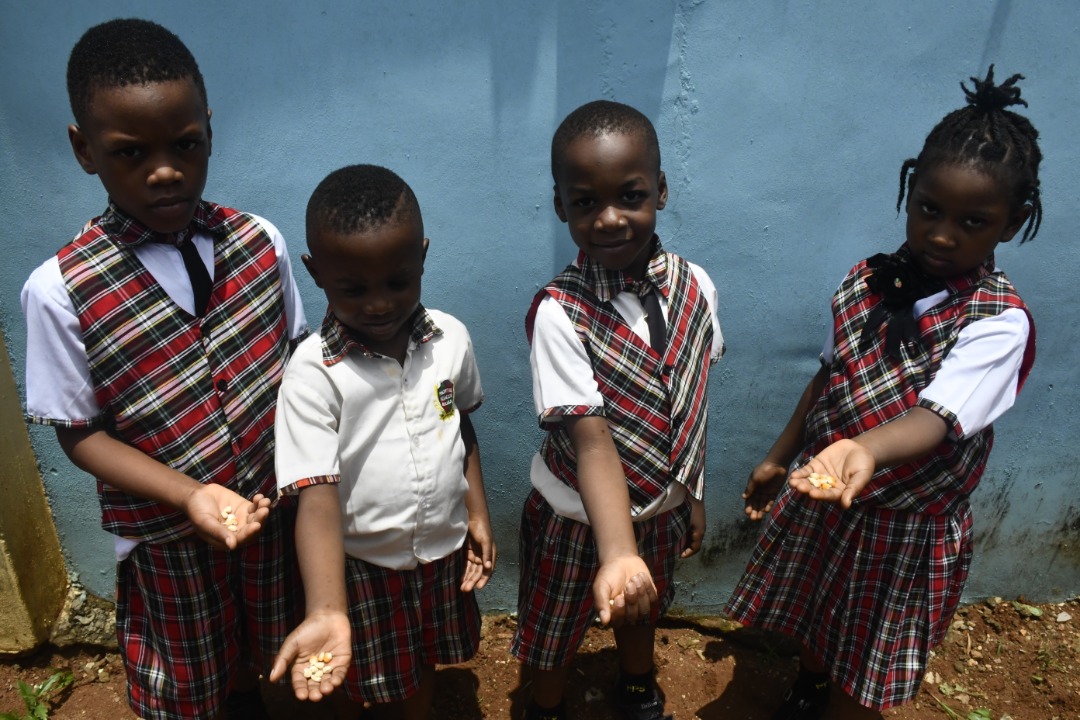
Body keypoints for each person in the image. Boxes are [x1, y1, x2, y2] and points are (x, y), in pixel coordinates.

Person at [727, 66, 1043, 720]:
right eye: (929, 208)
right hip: (830, 496)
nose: (943, 234)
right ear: (909, 192)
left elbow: (937, 419)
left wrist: (866, 448)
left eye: (973, 221)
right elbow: (829, 377)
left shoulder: (996, 324)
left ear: (1011, 225)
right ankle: (812, 682)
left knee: (868, 654)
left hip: (905, 533)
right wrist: (780, 455)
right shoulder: (864, 284)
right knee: (818, 612)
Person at [19, 18, 309, 720]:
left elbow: (299, 364)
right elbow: (79, 434)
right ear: (84, 150)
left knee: (281, 653)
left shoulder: (257, 241)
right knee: (186, 680)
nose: (165, 171)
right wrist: (188, 496)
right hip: (165, 541)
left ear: (209, 128)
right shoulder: (59, 290)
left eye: (186, 145)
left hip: (274, 519)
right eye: (130, 153)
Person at [512, 100, 725, 720]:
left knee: (644, 605)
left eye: (629, 196)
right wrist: (617, 549)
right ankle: (545, 705)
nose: (609, 219)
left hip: (660, 510)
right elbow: (591, 441)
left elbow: (691, 401)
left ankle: (637, 681)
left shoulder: (697, 285)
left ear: (660, 190)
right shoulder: (559, 312)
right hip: (574, 522)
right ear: (561, 208)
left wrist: (691, 494)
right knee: (552, 631)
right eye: (585, 203)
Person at [268, 164, 496, 719]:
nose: (378, 303)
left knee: (421, 664)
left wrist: (478, 513)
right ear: (315, 272)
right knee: (359, 673)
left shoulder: (450, 340)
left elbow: (460, 426)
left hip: (442, 553)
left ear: (422, 255)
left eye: (397, 281)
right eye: (353, 288)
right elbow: (315, 494)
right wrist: (325, 605)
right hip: (363, 565)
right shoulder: (313, 373)